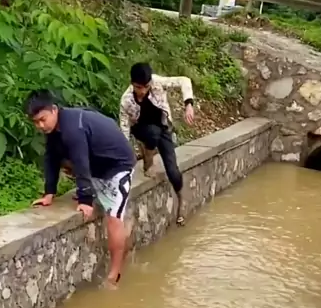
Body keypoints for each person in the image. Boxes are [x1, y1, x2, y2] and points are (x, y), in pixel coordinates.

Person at [26, 90, 136, 287]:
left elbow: (81, 161)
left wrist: (85, 200)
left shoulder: (72, 127)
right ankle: (95, 196)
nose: (40, 126)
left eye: (43, 120)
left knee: (113, 218)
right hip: (97, 166)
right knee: (60, 156)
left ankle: (115, 274)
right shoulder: (56, 129)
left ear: (54, 110)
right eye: (36, 122)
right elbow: (51, 158)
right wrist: (49, 193)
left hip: (118, 167)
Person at [119, 63, 195, 226]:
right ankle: (148, 161)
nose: (142, 91)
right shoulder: (126, 100)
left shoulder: (157, 83)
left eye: (146, 87)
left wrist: (188, 104)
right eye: (138, 87)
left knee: (173, 171)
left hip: (162, 127)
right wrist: (126, 154)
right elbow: (124, 128)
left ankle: (181, 200)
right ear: (132, 84)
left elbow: (184, 80)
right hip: (141, 129)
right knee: (152, 133)